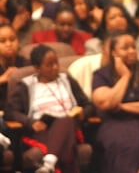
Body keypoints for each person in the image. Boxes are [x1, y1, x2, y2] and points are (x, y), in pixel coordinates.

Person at [6, 44, 94, 173]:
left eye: (56, 63)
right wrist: (31, 123)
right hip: (42, 131)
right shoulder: (26, 85)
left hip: (71, 128)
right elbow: (10, 112)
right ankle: (50, 164)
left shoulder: (67, 80)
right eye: (49, 65)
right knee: (66, 141)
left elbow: (89, 105)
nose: (56, 67)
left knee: (66, 120)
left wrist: (83, 113)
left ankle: (49, 163)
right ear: (37, 68)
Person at [91, 32, 139, 173]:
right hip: (114, 122)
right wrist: (125, 76)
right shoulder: (101, 74)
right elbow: (106, 103)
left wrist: (122, 106)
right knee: (122, 143)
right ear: (113, 52)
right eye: (125, 48)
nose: (132, 51)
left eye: (133, 47)